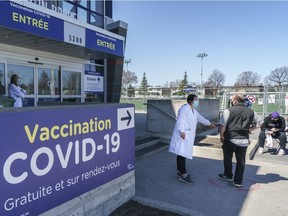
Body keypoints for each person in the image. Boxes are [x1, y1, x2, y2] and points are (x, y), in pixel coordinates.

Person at [168, 94, 216, 184]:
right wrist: (182, 131)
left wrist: (209, 124)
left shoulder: (193, 110)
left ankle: (179, 171)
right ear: (190, 101)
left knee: (181, 153)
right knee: (182, 153)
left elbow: (200, 118)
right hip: (183, 135)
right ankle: (183, 174)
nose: (197, 102)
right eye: (196, 100)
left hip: (188, 135)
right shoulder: (184, 108)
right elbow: (180, 120)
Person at [218, 94, 255, 188]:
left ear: (235, 100)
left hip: (230, 138)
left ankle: (228, 175)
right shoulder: (251, 111)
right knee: (241, 161)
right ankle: (238, 181)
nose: (231, 101)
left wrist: (222, 135)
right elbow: (258, 123)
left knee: (227, 158)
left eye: (232, 100)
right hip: (243, 140)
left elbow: (223, 125)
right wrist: (250, 130)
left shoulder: (228, 110)